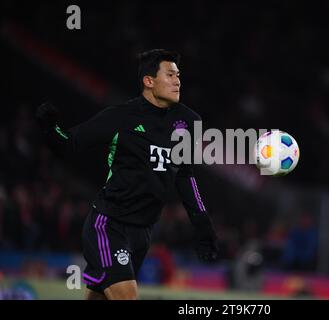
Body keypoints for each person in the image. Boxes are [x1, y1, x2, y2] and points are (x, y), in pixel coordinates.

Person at [35, 49, 218, 300]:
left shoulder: (188, 121)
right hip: (109, 224)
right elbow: (70, 144)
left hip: (143, 233)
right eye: (170, 74)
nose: (177, 80)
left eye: (178, 75)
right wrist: (49, 128)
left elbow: (184, 175)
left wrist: (202, 223)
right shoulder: (120, 117)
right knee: (127, 298)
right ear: (149, 81)